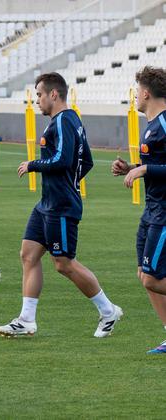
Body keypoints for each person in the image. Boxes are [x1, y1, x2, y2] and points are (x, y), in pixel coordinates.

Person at [0, 72, 122, 338]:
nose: (37, 101)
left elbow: (63, 160)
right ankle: (26, 320)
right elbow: (86, 161)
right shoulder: (70, 118)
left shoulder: (64, 120)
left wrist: (33, 165)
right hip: (47, 203)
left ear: (53, 94)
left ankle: (108, 310)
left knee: (64, 263)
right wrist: (70, 181)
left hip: (61, 206)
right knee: (28, 254)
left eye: (39, 95)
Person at [112, 66, 166, 354]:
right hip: (152, 210)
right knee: (144, 275)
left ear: (146, 93)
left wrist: (144, 169)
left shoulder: (165, 123)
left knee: (152, 278)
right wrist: (132, 168)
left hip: (164, 213)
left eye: (137, 91)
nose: (135, 97)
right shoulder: (152, 125)